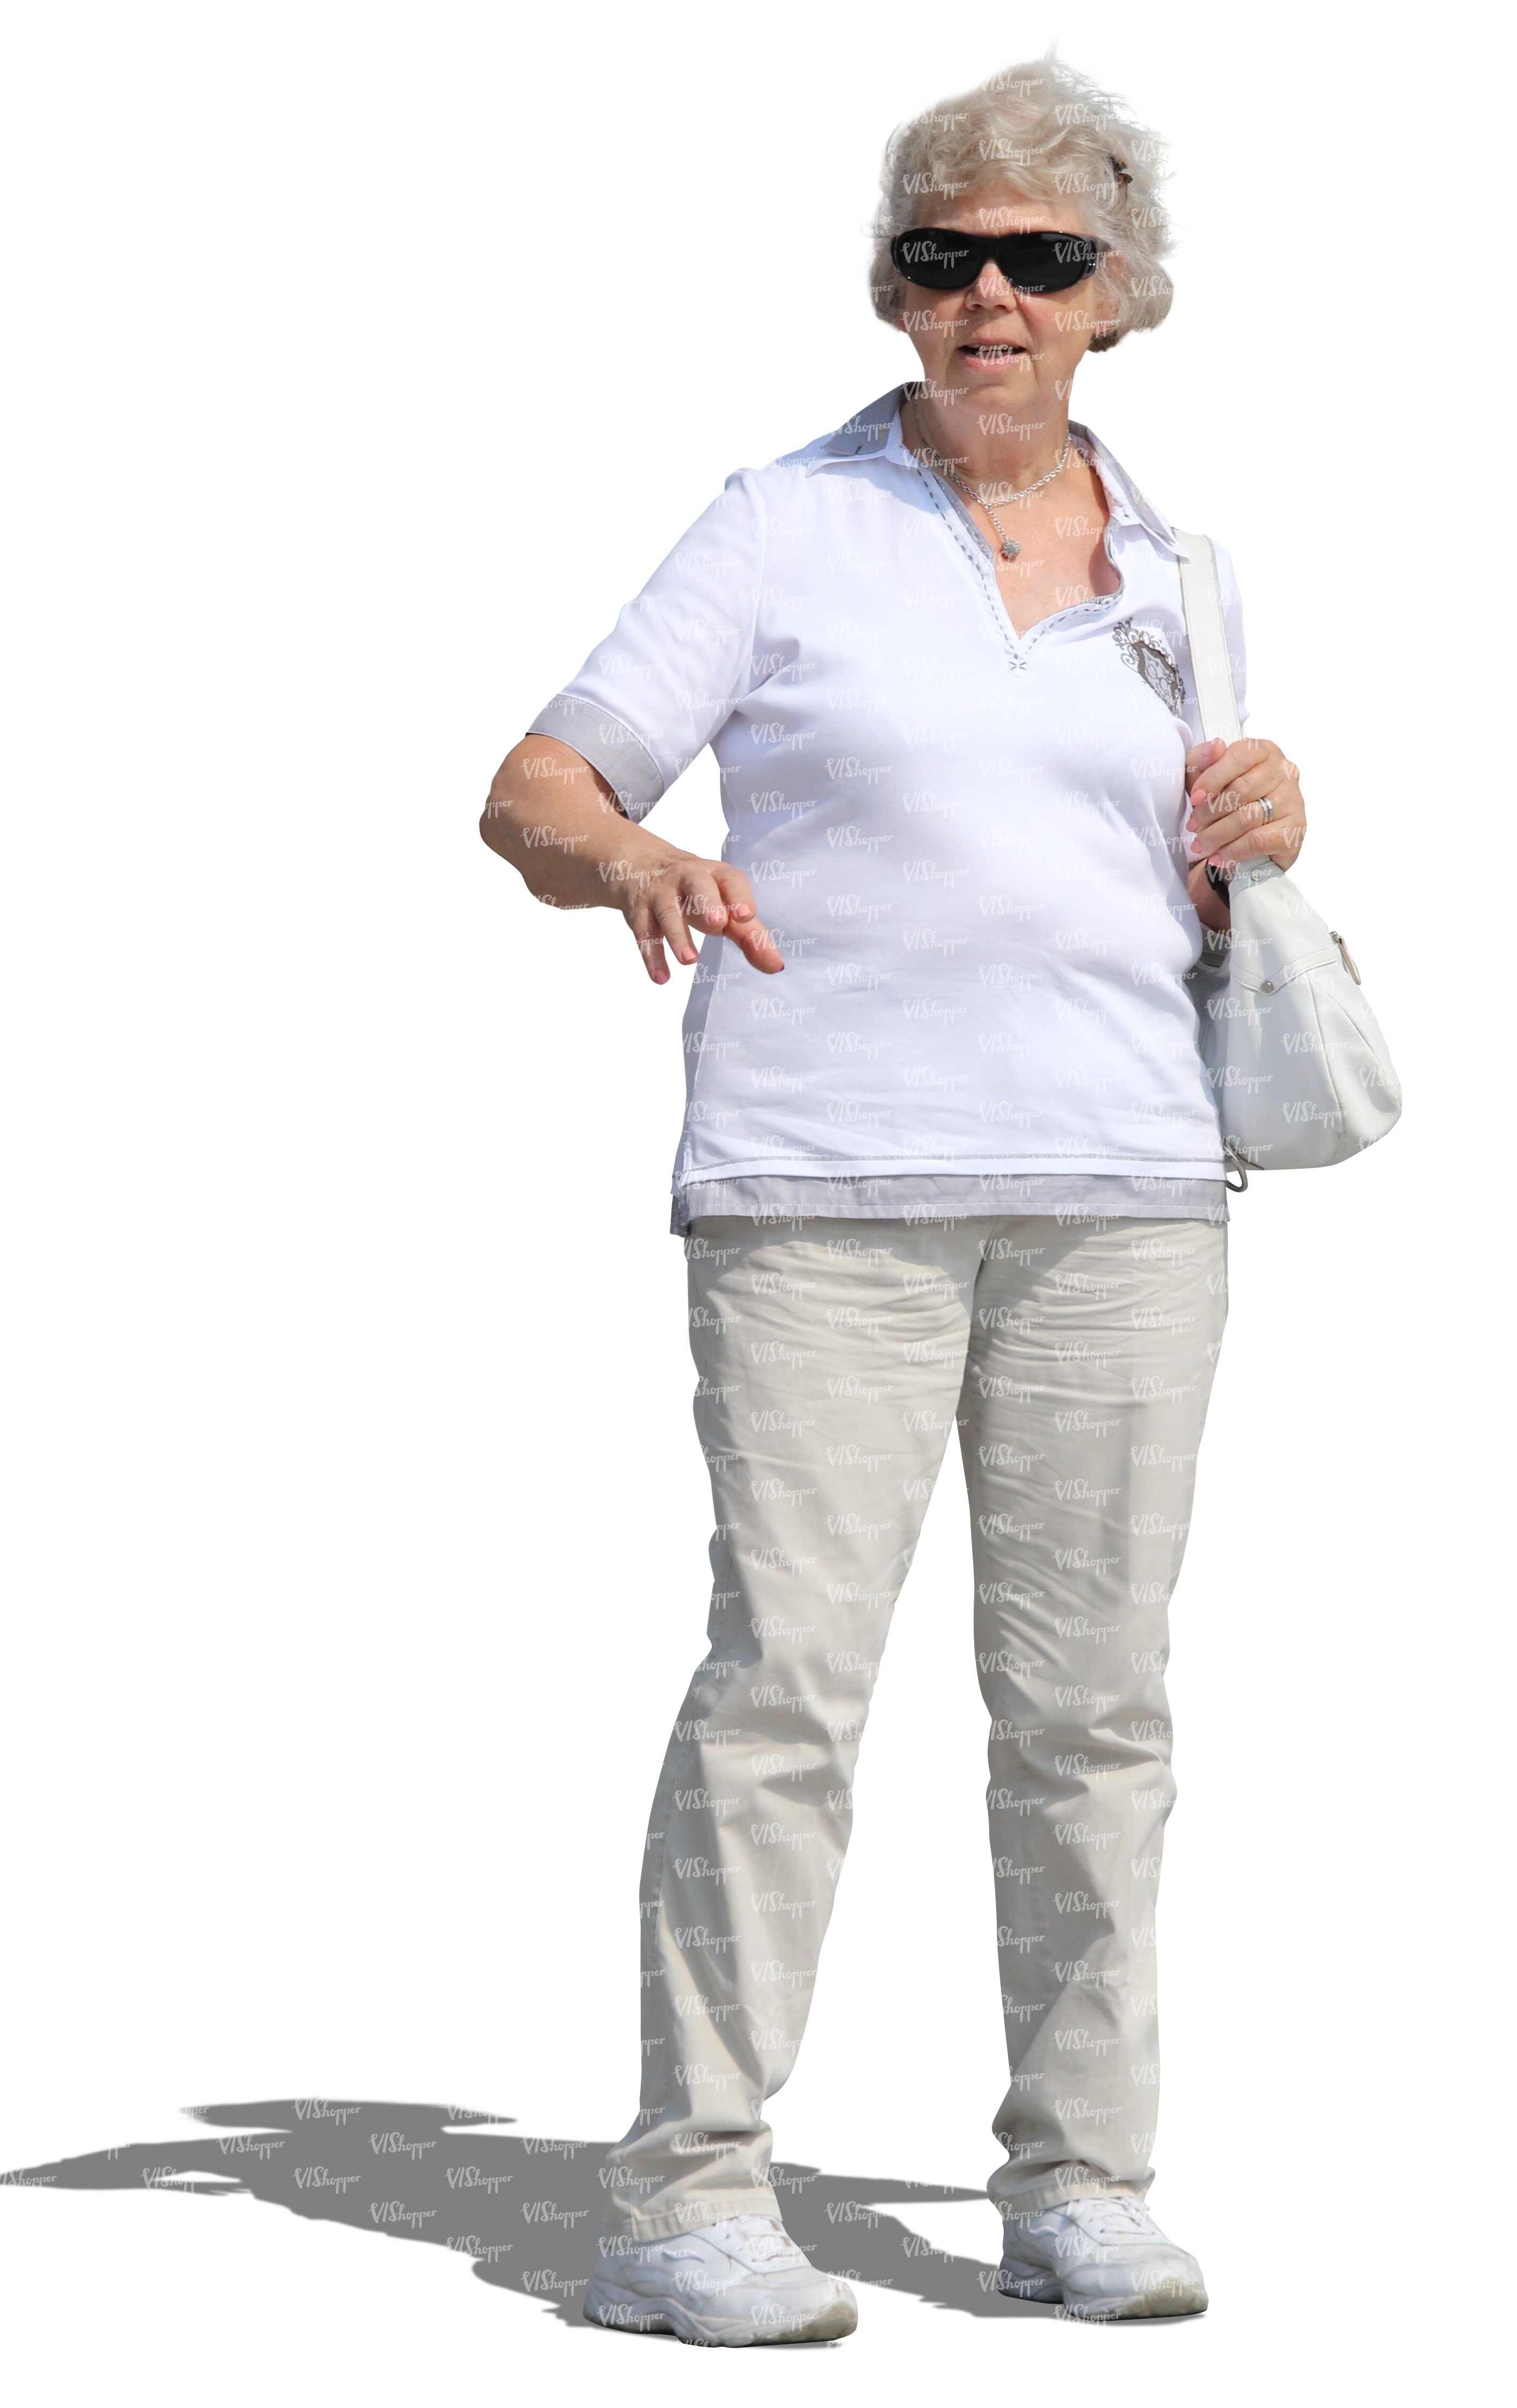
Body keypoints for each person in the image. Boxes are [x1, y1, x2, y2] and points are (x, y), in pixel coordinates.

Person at [481, 55, 1306, 2343]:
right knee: (788, 1694)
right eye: (944, 258)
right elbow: (536, 784)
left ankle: (1079, 2184)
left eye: (1042, 261)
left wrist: (1266, 823)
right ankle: (689, 2200)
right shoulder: (778, 524)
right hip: (823, 1191)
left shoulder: (1185, 572)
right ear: (895, 290)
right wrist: (635, 853)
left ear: (1121, 298)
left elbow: (1174, 885)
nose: (990, 300)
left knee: (1096, 1716)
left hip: (1129, 1192)